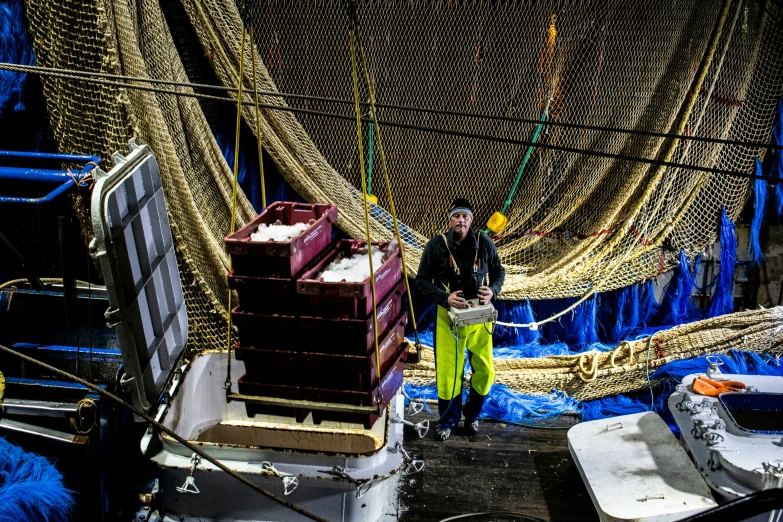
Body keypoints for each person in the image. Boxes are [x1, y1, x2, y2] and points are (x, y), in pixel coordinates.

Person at [415, 197, 505, 441]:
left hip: (479, 316)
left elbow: (498, 272)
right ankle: (447, 421)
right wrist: (445, 298)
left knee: (485, 371)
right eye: (456, 216)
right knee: (449, 373)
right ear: (450, 219)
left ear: (471, 220)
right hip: (449, 318)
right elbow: (421, 281)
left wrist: (493, 291)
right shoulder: (436, 245)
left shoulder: (485, 243)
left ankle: (472, 415)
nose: (461, 220)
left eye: (465, 216)